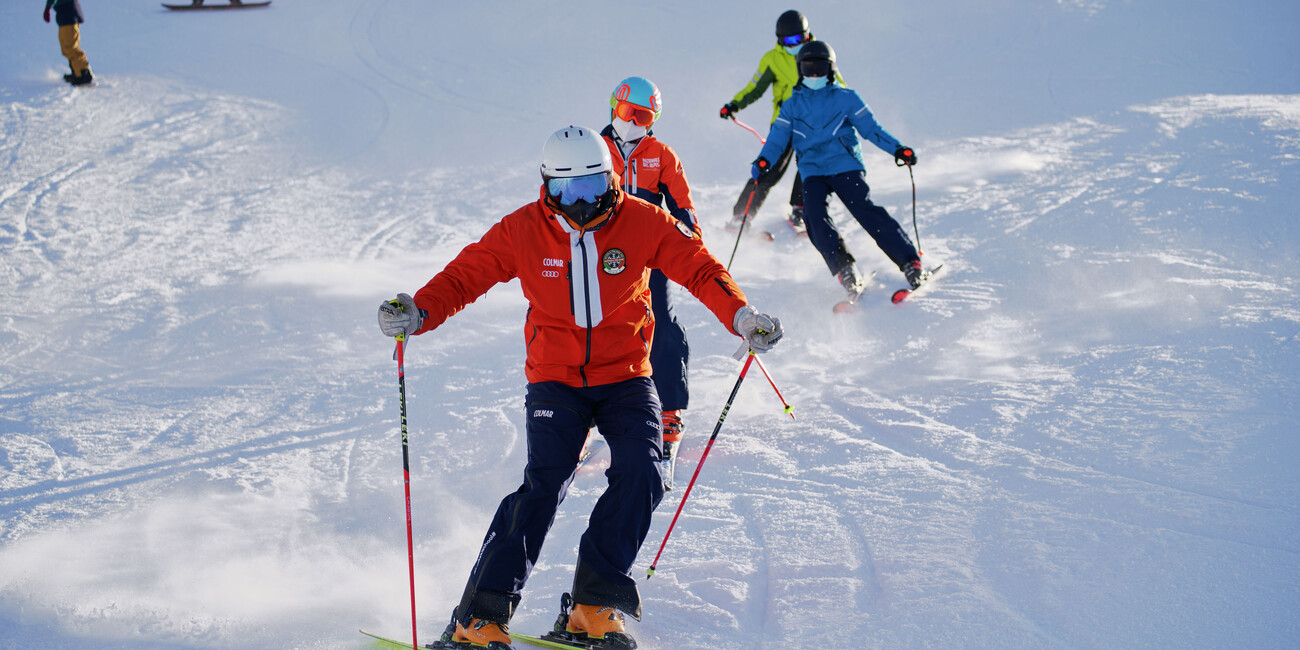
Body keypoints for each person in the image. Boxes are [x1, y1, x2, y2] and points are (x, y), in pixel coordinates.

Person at [377, 125, 783, 650]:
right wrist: (419, 310)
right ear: (547, 186)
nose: (582, 204)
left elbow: (700, 268)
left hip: (627, 375)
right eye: (566, 192)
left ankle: (593, 605)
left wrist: (742, 315)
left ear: (612, 178)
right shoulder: (524, 229)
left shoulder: (642, 219)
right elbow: (465, 276)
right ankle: (479, 616)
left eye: (593, 187)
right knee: (543, 487)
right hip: (555, 378)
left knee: (643, 471)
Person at [752, 40, 924, 298]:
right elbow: (777, 139)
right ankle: (845, 269)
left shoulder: (846, 98)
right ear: (800, 69)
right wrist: (763, 161)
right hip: (813, 171)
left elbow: (872, 129)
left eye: (820, 68)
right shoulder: (792, 105)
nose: (814, 74)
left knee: (864, 210)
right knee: (813, 218)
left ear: (830, 69)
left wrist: (898, 149)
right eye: (808, 68)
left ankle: (910, 262)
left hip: (844, 166)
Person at [598, 76, 698, 491]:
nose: (634, 123)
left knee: (663, 322)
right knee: (593, 325)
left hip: (649, 252)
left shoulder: (661, 155)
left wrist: (690, 234)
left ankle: (670, 410)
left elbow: (682, 206)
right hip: (601, 253)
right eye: (627, 113)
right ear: (613, 108)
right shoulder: (595, 149)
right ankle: (586, 412)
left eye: (643, 117)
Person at [720, 9, 841, 234]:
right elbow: (755, 88)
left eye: (797, 39)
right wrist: (735, 104)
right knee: (768, 168)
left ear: (807, 35)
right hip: (783, 125)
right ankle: (741, 217)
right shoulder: (772, 59)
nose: (792, 45)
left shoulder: (819, 54)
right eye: (787, 41)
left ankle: (800, 211)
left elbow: (838, 87)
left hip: (814, 125)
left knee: (809, 169)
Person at [43, 0, 92, 86]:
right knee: (65, 49)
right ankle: (77, 73)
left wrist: (48, 7)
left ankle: (84, 74)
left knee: (71, 48)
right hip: (65, 15)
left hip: (68, 14)